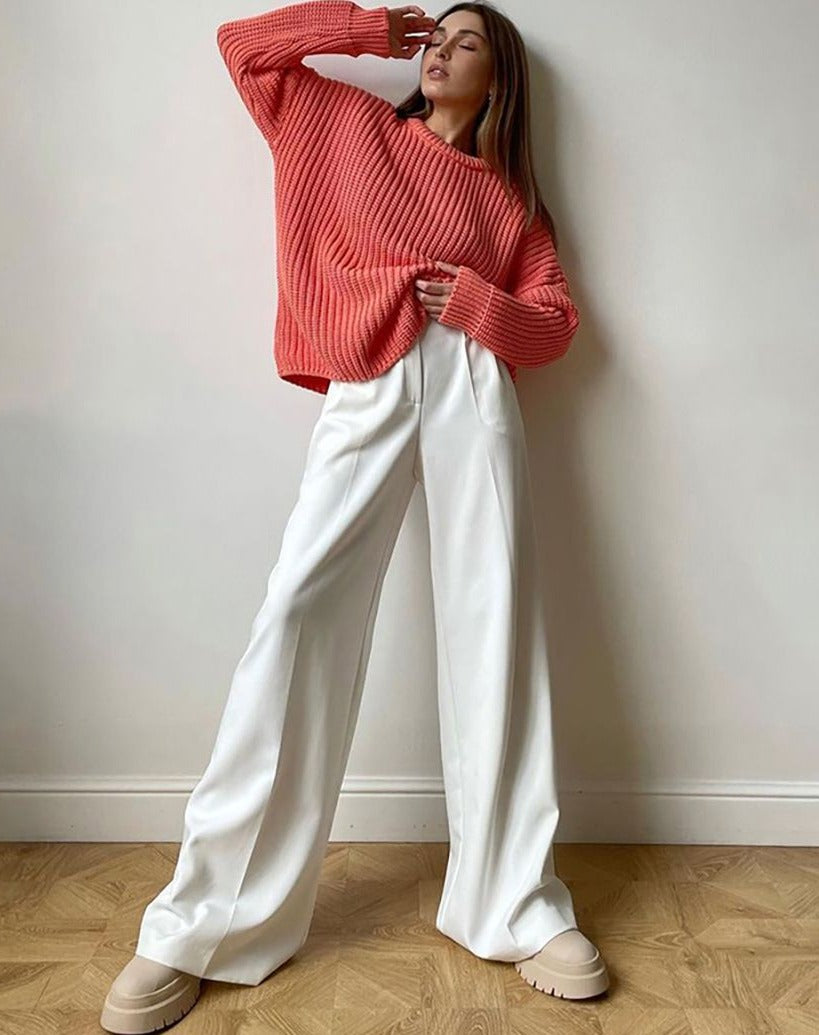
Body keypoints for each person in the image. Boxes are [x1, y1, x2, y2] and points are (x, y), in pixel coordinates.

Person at [100, 2, 609, 1030]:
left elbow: (554, 322)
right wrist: (367, 27)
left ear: (502, 78)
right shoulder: (341, 122)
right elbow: (243, 48)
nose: (443, 50)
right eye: (437, 37)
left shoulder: (511, 200)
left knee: (495, 626)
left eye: (468, 42)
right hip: (368, 375)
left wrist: (482, 305)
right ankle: (204, 921)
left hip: (472, 375)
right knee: (297, 614)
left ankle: (514, 901)